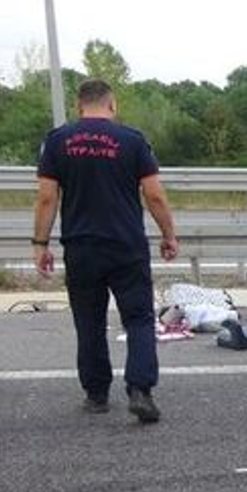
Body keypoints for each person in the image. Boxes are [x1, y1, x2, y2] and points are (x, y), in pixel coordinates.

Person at [32, 79, 179, 423]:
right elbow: (154, 195)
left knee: (89, 321)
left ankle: (96, 394)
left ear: (78, 106)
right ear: (112, 105)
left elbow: (46, 198)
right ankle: (140, 389)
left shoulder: (57, 141)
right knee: (139, 319)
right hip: (126, 246)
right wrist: (169, 235)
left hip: (81, 246)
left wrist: (40, 244)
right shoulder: (133, 140)